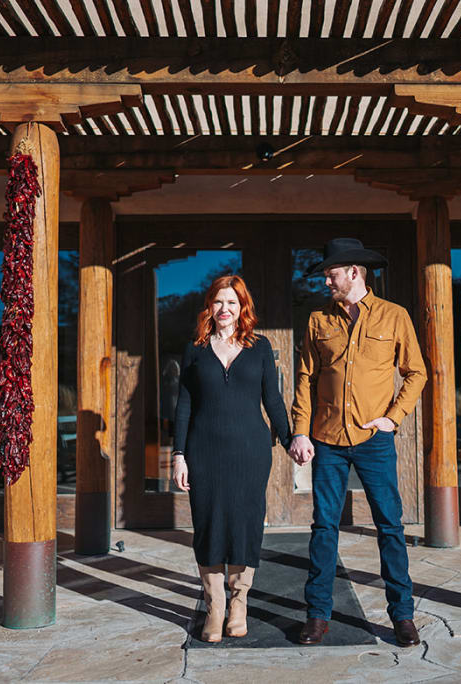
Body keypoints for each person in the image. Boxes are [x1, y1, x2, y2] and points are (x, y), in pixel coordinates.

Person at [288, 238, 428, 648]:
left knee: (389, 526)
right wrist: (300, 430)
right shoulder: (318, 320)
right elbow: (305, 379)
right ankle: (317, 615)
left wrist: (392, 418)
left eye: (331, 274)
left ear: (353, 272)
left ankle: (402, 615)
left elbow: (416, 372)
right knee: (323, 527)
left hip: (373, 439)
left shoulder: (394, 316)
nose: (326, 281)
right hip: (327, 439)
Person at [172, 274, 292, 643]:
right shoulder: (194, 348)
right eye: (219, 302)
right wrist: (179, 455)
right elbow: (184, 408)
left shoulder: (259, 347)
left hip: (250, 452)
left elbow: (272, 401)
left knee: (244, 524)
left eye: (232, 303)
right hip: (203, 452)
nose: (225, 309)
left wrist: (291, 440)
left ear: (243, 309)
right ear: (209, 305)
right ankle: (216, 606)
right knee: (208, 525)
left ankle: (239, 604)